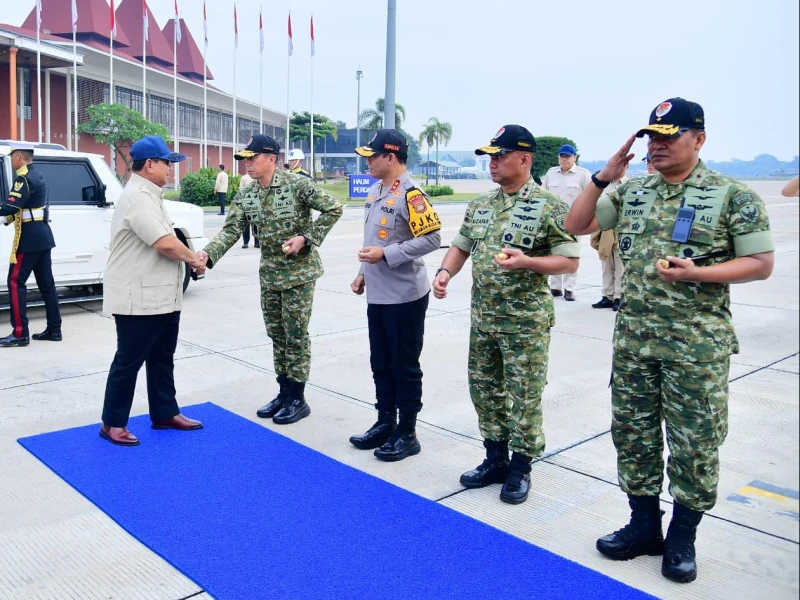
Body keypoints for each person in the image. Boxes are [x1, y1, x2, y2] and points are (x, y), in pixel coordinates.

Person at [565, 98, 775, 583]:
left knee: (695, 444)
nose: (656, 146)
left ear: (698, 139)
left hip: (696, 349)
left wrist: (701, 272)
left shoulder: (731, 194)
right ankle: (643, 526)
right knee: (633, 437)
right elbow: (576, 226)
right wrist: (603, 177)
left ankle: (682, 537)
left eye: (668, 136)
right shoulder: (633, 191)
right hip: (635, 344)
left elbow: (761, 264)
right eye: (651, 137)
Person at [432, 125, 580, 504]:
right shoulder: (482, 204)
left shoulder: (549, 205)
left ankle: (521, 466)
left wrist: (528, 262)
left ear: (525, 159)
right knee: (484, 390)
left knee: (524, 394)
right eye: (491, 158)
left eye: (500, 156)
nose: (493, 164)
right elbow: (461, 245)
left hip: (525, 323)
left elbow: (570, 260)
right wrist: (445, 272)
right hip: (483, 318)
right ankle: (494, 457)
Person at [198, 134, 343, 425]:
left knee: (296, 336)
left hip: (299, 275)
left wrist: (307, 238)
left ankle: (298, 399)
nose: (247, 164)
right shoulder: (248, 194)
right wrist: (206, 255)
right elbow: (231, 231)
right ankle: (284, 392)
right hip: (270, 276)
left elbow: (334, 207)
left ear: (272, 159)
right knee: (276, 335)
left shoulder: (297, 184)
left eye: (253, 158)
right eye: (245, 159)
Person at [99, 136, 208, 446]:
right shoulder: (137, 197)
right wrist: (194, 259)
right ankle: (112, 423)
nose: (171, 169)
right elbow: (164, 242)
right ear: (149, 165)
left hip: (160, 295)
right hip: (139, 298)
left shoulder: (150, 194)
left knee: (162, 357)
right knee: (129, 361)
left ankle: (164, 412)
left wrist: (191, 259)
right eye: (166, 163)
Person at [349, 129, 441, 462]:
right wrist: (362, 273)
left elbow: (432, 239)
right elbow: (371, 237)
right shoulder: (376, 190)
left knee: (404, 366)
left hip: (405, 296)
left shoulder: (412, 194)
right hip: (377, 292)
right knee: (381, 362)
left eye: (372, 156)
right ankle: (385, 421)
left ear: (390, 157)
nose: (368, 162)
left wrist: (387, 255)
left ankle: (407, 432)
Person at [0, 142, 62, 347]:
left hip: (29, 239)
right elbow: (23, 208)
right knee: (47, 285)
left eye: (12, 157)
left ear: (19, 156)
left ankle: (20, 334)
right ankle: (54, 329)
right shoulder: (38, 175)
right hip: (42, 235)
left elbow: (10, 207)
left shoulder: (23, 179)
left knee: (15, 282)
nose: (11, 162)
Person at [542, 144, 591, 300]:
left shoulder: (582, 175)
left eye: (568, 156)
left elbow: (591, 195)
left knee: (571, 253)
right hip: (553, 220)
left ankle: (569, 288)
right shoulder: (551, 174)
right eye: (562, 156)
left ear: (574, 157)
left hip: (574, 219)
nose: (564, 159)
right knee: (554, 252)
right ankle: (555, 287)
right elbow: (544, 194)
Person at [590, 174, 627, 311]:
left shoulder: (629, 184)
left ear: (627, 167)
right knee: (606, 264)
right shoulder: (604, 185)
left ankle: (618, 296)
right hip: (606, 228)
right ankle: (607, 296)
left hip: (622, 229)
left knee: (620, 266)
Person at [238, 172, 259, 249]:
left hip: (256, 202)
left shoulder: (257, 176)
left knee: (256, 223)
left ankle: (257, 242)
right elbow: (241, 189)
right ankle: (245, 242)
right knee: (246, 224)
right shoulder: (244, 178)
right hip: (246, 202)